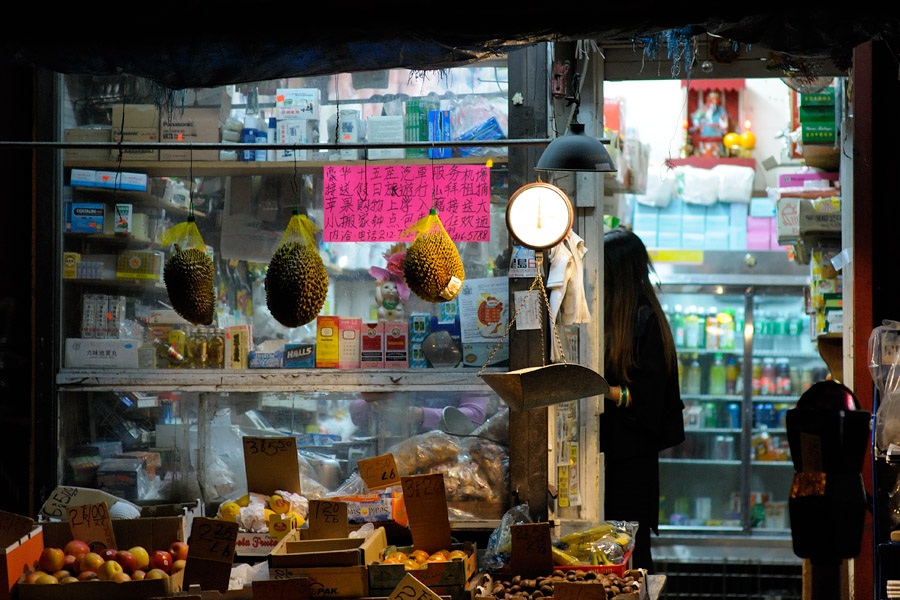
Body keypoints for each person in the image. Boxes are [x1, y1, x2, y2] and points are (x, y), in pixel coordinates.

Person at [600, 228, 685, 573]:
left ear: (616, 273)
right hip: (617, 464)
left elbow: (647, 402)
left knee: (631, 561)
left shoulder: (643, 321)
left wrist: (601, 389)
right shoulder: (617, 320)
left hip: (630, 470)